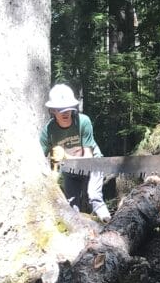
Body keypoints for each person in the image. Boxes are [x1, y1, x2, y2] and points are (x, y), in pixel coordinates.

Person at [40, 84, 111, 223]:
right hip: (70, 169)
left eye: (68, 108)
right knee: (71, 205)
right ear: (53, 110)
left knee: (94, 195)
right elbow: (40, 159)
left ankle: (108, 222)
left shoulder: (83, 121)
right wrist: (52, 174)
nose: (65, 113)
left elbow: (88, 158)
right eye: (60, 109)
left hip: (93, 164)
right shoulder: (48, 131)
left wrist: (65, 156)